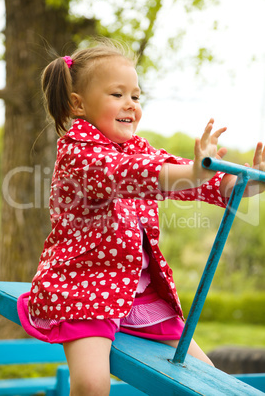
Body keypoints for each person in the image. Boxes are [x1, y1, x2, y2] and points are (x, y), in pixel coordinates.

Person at [18, 39, 265, 396]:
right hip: (83, 288)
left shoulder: (137, 147)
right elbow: (137, 174)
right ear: (78, 103)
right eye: (118, 94)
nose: (130, 105)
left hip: (138, 296)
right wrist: (192, 174)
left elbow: (179, 174)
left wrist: (240, 181)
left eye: (136, 96)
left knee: (209, 380)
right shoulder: (80, 153)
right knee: (91, 383)